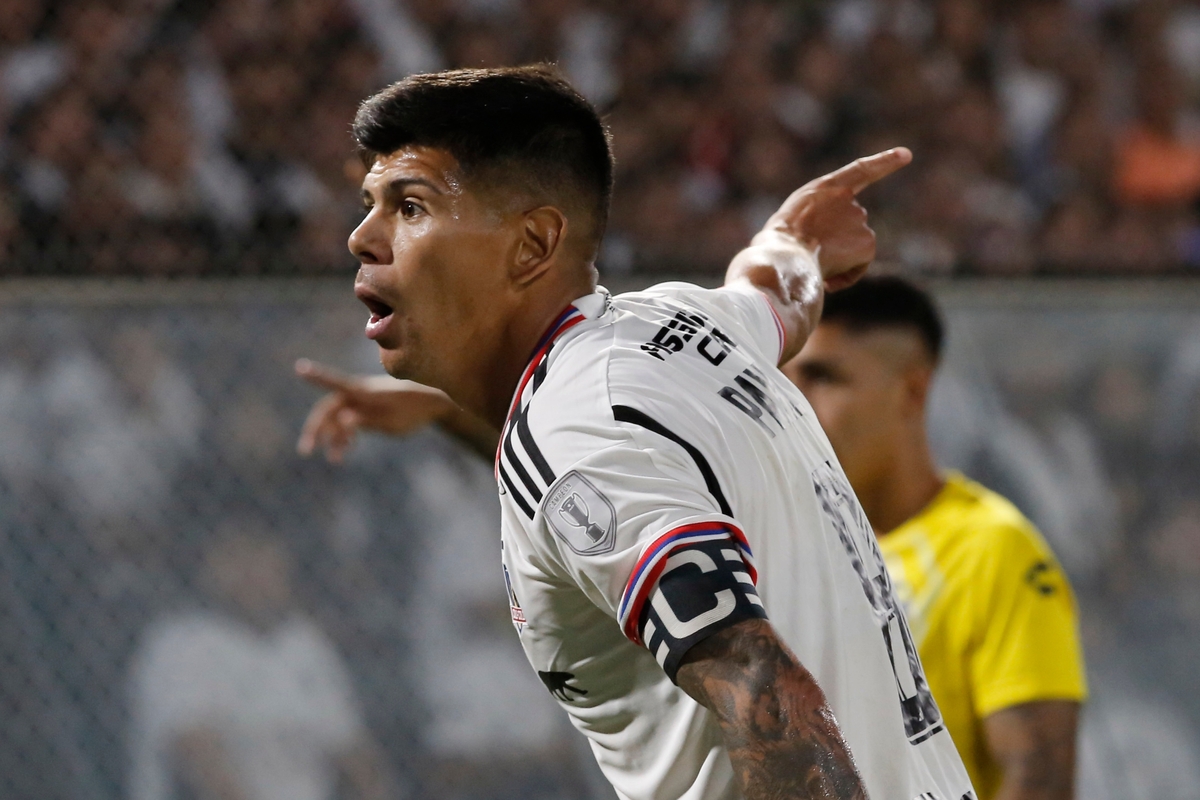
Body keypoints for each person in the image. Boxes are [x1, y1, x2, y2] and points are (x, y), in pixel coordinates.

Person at [300, 65, 974, 800]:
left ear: (532, 245)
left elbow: (760, 688)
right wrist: (796, 240)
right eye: (370, 204)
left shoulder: (571, 431)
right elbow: (773, 292)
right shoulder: (680, 322)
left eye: (410, 205)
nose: (363, 237)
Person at [781, 276, 1087, 800]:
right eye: (786, 382)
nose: (796, 406)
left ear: (913, 390)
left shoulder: (992, 548)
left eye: (824, 378)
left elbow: (1039, 778)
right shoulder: (779, 546)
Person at [128, 527, 394, 800]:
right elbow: (197, 754)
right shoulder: (179, 641)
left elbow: (351, 747)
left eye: (263, 559)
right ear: (207, 568)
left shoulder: (306, 642)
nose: (251, 574)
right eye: (234, 558)